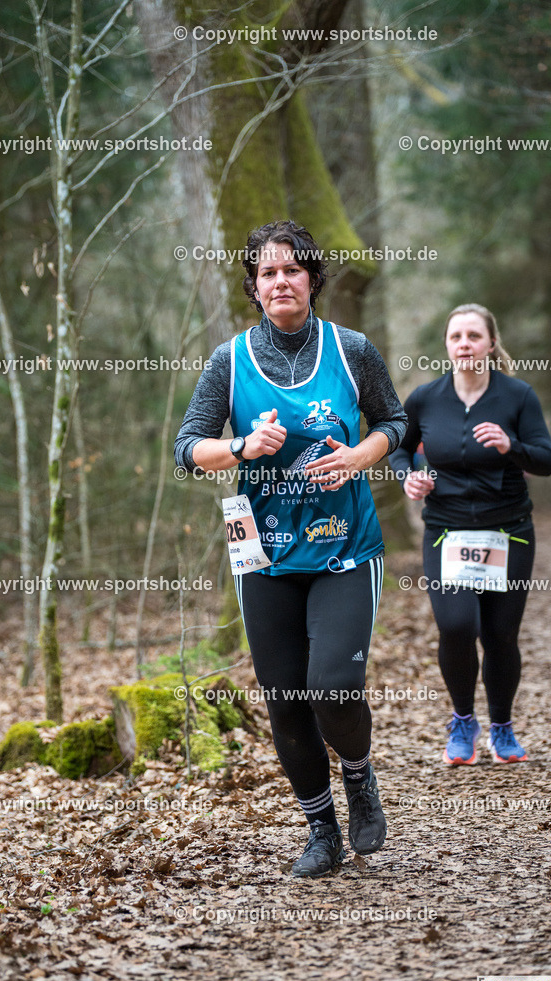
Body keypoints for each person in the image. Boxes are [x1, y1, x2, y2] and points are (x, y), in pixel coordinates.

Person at [174, 221, 407, 877]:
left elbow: (394, 421)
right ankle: (320, 832)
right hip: (262, 556)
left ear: (312, 279)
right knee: (284, 699)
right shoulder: (229, 361)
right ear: (253, 286)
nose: (281, 281)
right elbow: (187, 448)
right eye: (268, 272)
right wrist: (242, 447)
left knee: (332, 686)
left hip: (344, 550)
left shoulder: (351, 349)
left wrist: (360, 456)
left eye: (292, 270)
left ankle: (358, 774)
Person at [389, 304, 551, 766]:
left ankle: (502, 727)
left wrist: (510, 445)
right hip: (447, 531)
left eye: (474, 336)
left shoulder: (517, 396)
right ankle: (463, 720)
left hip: (509, 531)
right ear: (447, 345)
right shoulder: (425, 398)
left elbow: (546, 460)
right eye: (456, 336)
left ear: (491, 344)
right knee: (457, 626)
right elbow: (399, 449)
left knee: (501, 634)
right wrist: (408, 477)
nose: (464, 344)